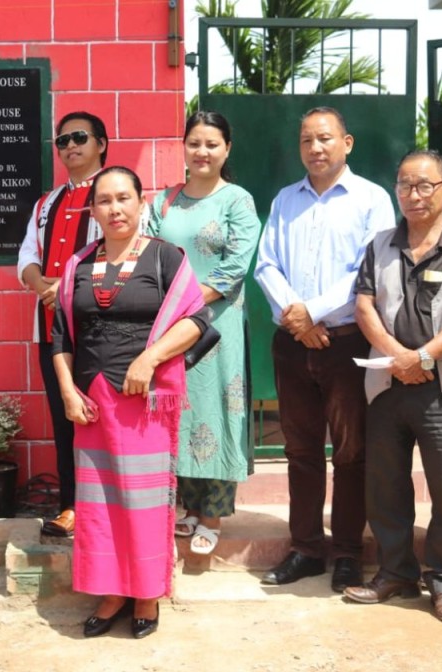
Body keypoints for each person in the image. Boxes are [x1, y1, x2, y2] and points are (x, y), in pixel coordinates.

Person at [51, 166, 209, 639]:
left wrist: (149, 360)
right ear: (93, 209)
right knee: (99, 505)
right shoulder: (78, 265)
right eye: (104, 201)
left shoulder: (165, 259)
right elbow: (60, 336)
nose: (115, 209)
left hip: (144, 402)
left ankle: (145, 592)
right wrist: (66, 391)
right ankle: (111, 591)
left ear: (142, 203)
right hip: (91, 402)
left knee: (141, 504)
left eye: (124, 198)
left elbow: (196, 320)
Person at [344, 149, 442, 623]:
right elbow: (364, 306)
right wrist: (397, 356)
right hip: (389, 384)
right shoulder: (381, 244)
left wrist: (425, 356)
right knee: (385, 484)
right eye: (405, 185)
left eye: (424, 185)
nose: (413, 195)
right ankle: (395, 572)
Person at [253, 106, 395, 591]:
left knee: (352, 452)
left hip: (346, 343)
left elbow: (367, 272)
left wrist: (311, 311)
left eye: (325, 138)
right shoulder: (284, 200)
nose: (315, 148)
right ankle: (307, 548)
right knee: (300, 450)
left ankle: (349, 552)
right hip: (293, 344)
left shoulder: (371, 200)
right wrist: (297, 316)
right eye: (307, 140)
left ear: (347, 143)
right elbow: (266, 265)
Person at [148, 111, 261, 555]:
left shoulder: (237, 200)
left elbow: (234, 267)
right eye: (195, 142)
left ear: (226, 149)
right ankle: (189, 509)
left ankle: (212, 514)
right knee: (181, 410)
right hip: (170, 325)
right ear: (185, 146)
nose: (202, 152)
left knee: (215, 410)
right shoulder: (164, 201)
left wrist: (187, 305)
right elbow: (148, 254)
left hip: (216, 324)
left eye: (212, 144)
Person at [17, 111, 109, 538]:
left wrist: (70, 286)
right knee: (63, 418)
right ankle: (71, 505)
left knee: (102, 417)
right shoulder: (47, 203)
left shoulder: (114, 193)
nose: (70, 146)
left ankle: (108, 506)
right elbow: (26, 258)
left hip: (100, 332)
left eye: (79, 138)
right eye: (62, 141)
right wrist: (42, 286)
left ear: (101, 144)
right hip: (52, 331)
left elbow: (125, 254)